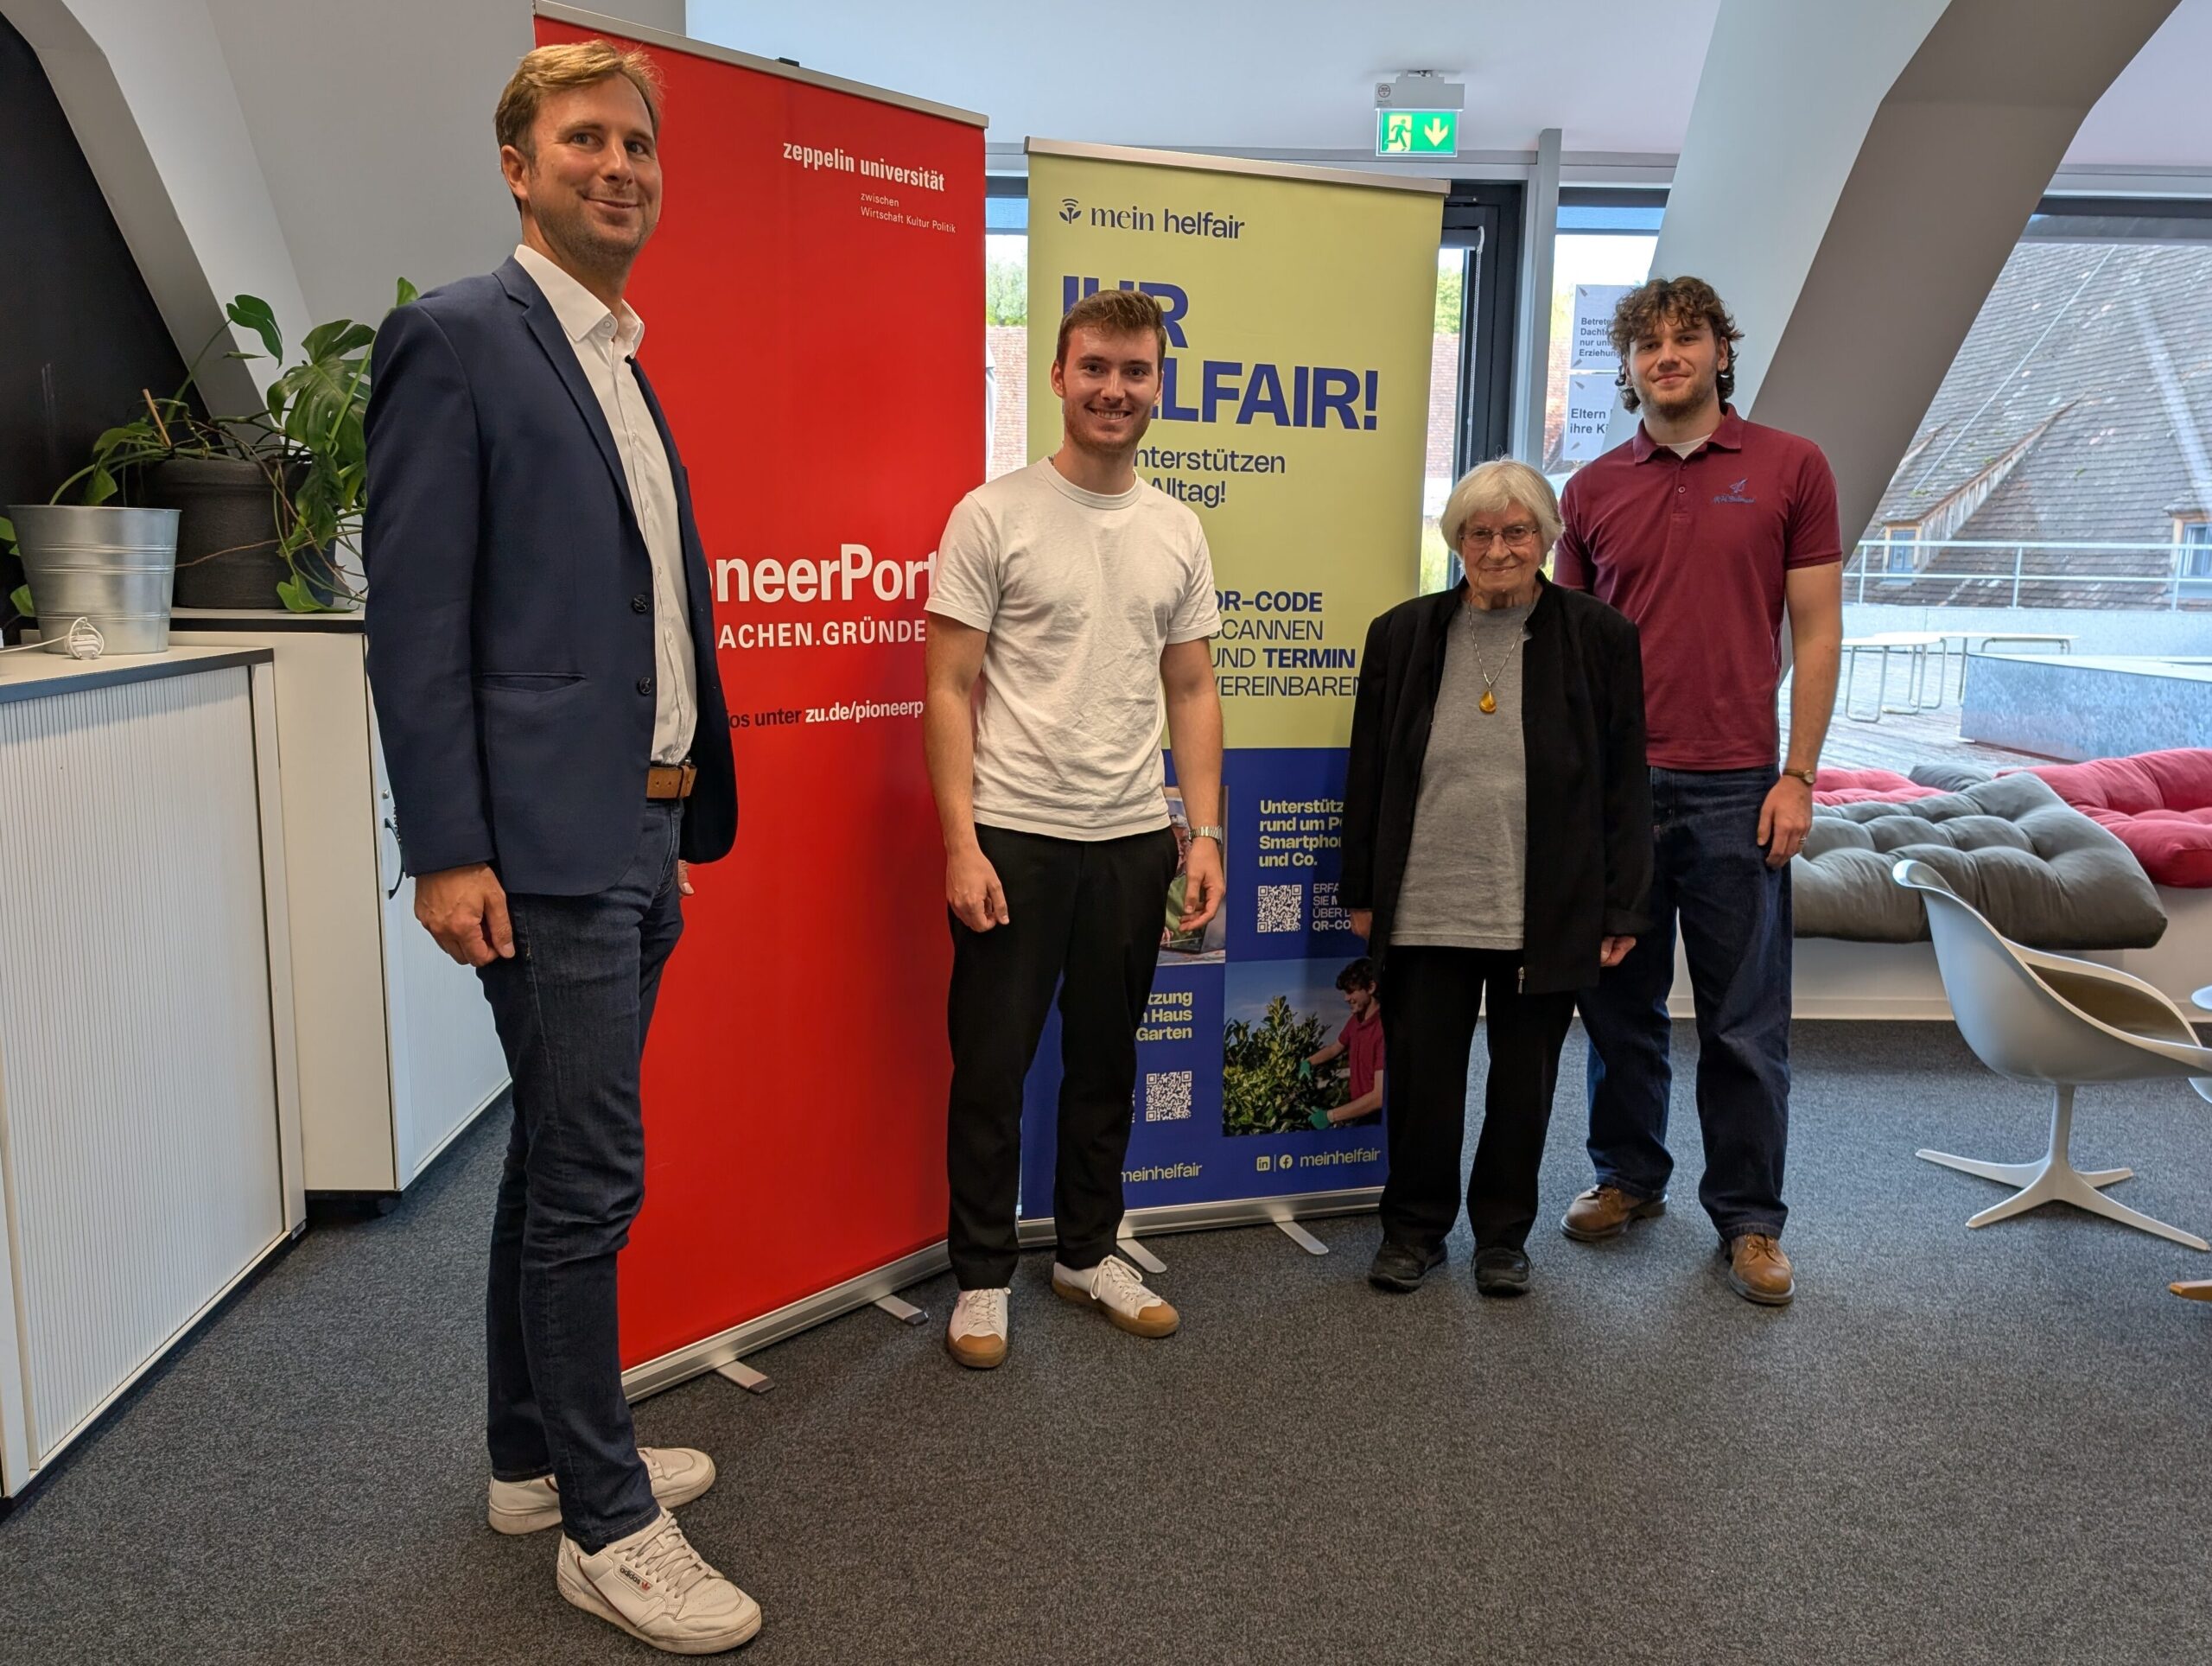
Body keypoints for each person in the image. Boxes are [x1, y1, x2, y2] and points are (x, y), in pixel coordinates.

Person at [364, 41, 756, 1656]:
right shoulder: (459, 338)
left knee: (550, 1156)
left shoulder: (618, 358)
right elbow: (416, 623)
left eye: (638, 145)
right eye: (585, 139)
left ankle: (532, 1460)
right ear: (518, 168)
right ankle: (608, 1523)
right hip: (539, 848)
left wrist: (668, 797)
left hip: (639, 830)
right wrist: (448, 849)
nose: (620, 166)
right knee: (593, 1177)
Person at [924, 287, 1225, 1370]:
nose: (1114, 388)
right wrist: (961, 842)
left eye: (1135, 370)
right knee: (992, 1069)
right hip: (1013, 835)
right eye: (1094, 366)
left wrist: (1203, 833)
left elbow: (1191, 688)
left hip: (1133, 839)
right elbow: (947, 688)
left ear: (1158, 384)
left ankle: (1087, 1251)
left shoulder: (1176, 528)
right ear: (1056, 375)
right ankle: (980, 1274)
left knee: (1105, 1062)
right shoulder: (991, 514)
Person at [1552, 275, 1844, 1307]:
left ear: (1722, 351)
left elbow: (1817, 633)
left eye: (1687, 337)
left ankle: (1750, 1220)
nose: (1666, 355)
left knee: (1743, 1022)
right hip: (1619, 794)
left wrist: (1798, 775)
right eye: (1647, 344)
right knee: (1616, 1005)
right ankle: (1627, 1176)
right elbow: (1561, 657)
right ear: (1628, 368)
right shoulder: (1590, 490)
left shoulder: (1790, 467)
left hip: (1738, 788)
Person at [1341, 459, 1650, 1297]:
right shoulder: (1402, 634)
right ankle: (1413, 1230)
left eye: (1517, 532)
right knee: (1423, 1082)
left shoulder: (1599, 637)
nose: (1498, 549)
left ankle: (1503, 1238)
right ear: (1457, 542)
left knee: (1523, 1085)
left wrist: (1622, 905)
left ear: (1545, 538)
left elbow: (1625, 782)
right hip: (1425, 902)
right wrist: (1361, 890)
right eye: (1479, 533)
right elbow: (1368, 771)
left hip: (1544, 907)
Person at [1303, 958, 1385, 1128]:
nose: (1346, 998)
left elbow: (1379, 1097)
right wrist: (1308, 1062)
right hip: (1361, 1114)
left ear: (1371, 987)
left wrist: (1330, 1116)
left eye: (1350, 992)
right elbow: (1335, 1048)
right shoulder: (1355, 1021)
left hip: (1380, 1120)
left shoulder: (1384, 1029)